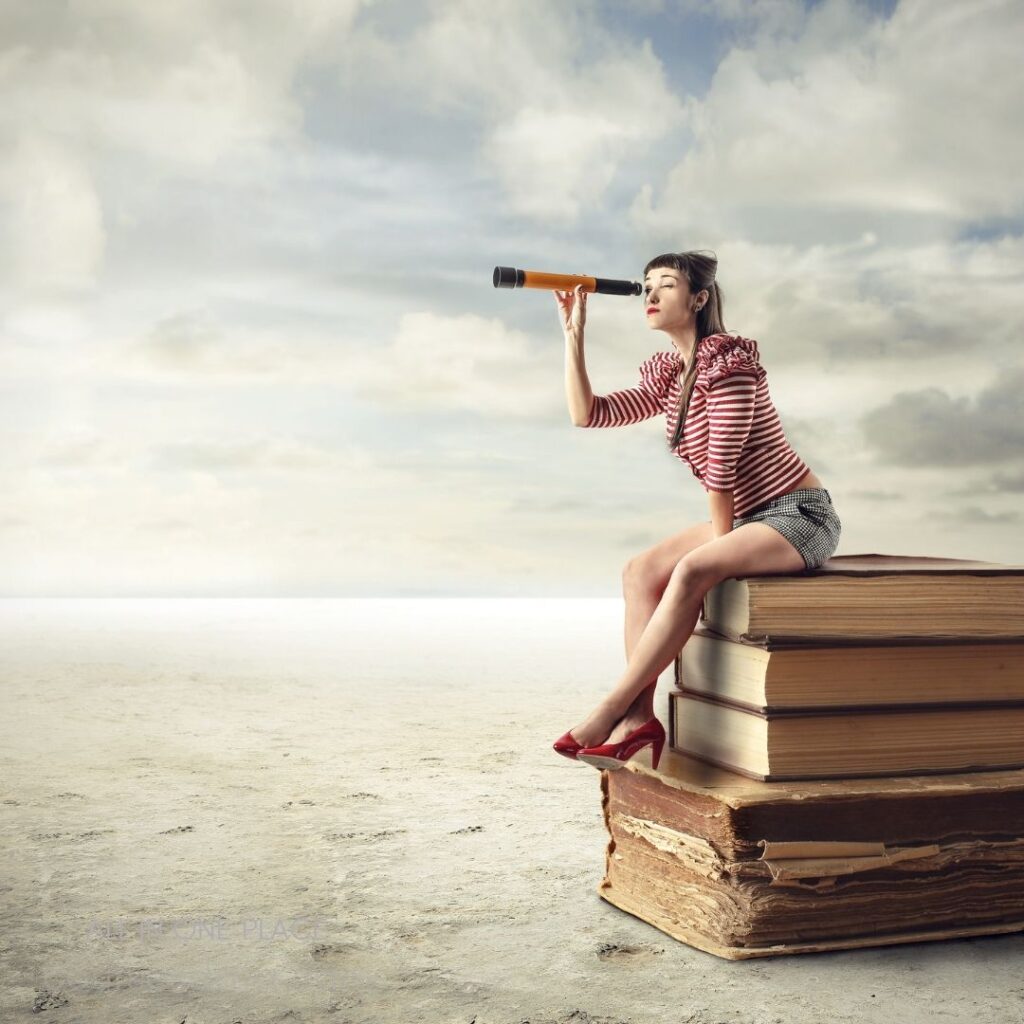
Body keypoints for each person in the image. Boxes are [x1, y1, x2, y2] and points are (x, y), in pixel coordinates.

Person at [551, 250, 841, 771]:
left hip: (798, 515)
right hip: (750, 517)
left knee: (691, 570)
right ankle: (638, 720)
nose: (651, 296)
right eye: (646, 287)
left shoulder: (729, 366)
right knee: (639, 571)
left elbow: (721, 471)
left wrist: (719, 549)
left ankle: (610, 708)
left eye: (665, 285)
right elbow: (587, 414)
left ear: (699, 298)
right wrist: (574, 335)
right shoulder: (671, 372)